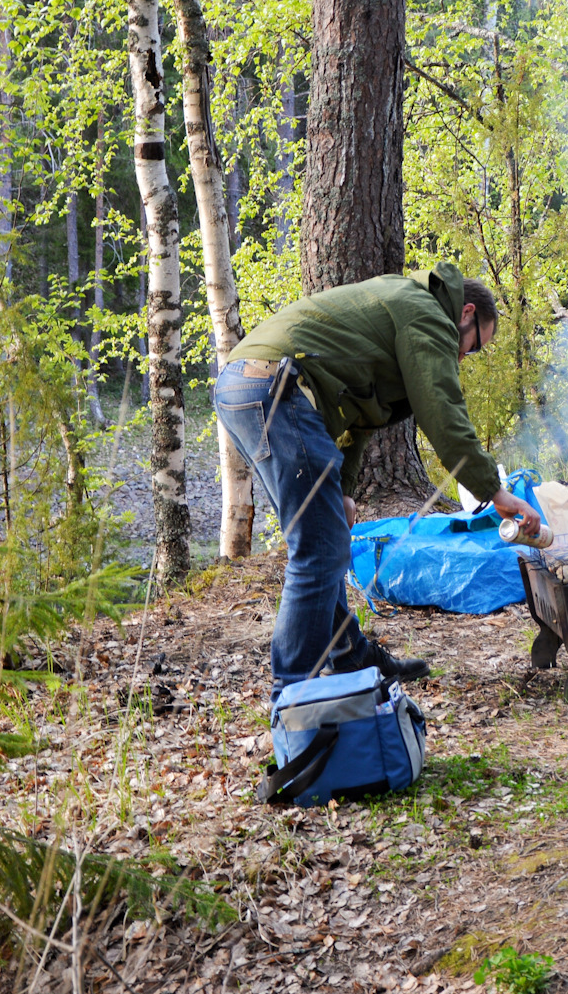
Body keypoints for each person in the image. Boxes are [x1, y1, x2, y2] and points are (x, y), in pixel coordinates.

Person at [213, 263, 542, 696]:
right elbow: (441, 411)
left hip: (245, 387)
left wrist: (344, 491)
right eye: (473, 346)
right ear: (465, 314)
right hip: (275, 386)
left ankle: (351, 659)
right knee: (317, 551)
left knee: (323, 538)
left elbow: (359, 417)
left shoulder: (402, 303)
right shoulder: (425, 314)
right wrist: (494, 492)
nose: (463, 357)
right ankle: (292, 698)